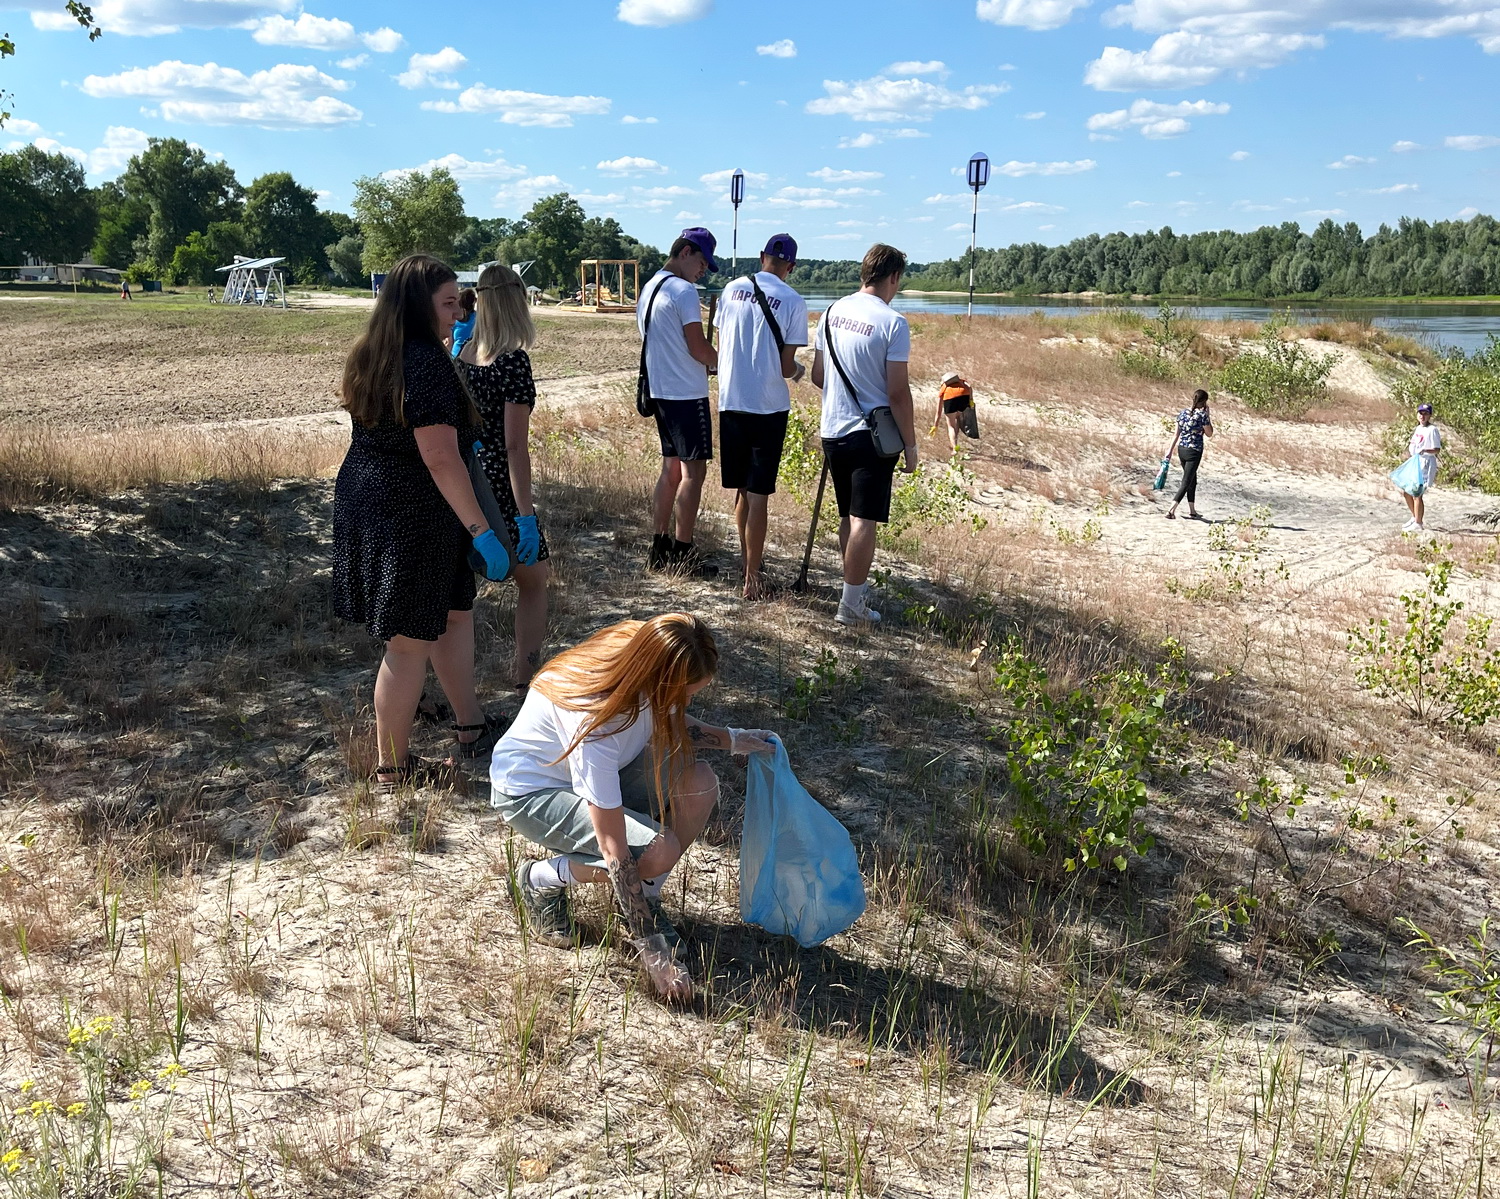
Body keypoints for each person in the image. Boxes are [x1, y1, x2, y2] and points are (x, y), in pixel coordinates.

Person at [490, 613, 775, 1001]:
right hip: (531, 793)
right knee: (658, 850)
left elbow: (671, 719)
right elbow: (614, 849)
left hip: (597, 772)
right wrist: (652, 949)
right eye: (685, 694)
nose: (687, 703)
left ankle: (648, 896)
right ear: (657, 681)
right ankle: (540, 878)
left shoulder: (644, 647)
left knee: (699, 783)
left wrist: (735, 739)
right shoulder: (596, 720)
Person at [332, 254, 513, 793]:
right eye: (449, 302)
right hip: (409, 510)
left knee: (454, 614)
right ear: (418, 306)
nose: (459, 313)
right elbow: (440, 455)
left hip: (380, 499)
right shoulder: (424, 362)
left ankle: (470, 725)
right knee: (408, 641)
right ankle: (392, 769)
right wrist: (482, 529)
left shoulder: (375, 353)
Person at [809, 243, 918, 627]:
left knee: (847, 515)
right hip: (871, 436)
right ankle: (850, 606)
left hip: (833, 429)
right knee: (864, 519)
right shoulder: (893, 323)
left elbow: (818, 376)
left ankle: (852, 589)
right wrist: (911, 445)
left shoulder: (832, 310)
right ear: (893, 277)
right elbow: (897, 393)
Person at [459, 263, 549, 689]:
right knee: (534, 581)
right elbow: (516, 447)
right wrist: (525, 516)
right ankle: (525, 676)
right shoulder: (513, 362)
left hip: (463, 477)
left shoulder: (461, 354)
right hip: (498, 481)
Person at [713, 233, 809, 599]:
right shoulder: (793, 301)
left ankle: (744, 559)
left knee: (741, 489)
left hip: (732, 399)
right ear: (792, 266)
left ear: (761, 257)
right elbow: (785, 367)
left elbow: (725, 344)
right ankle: (752, 577)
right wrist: (799, 370)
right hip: (768, 406)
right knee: (759, 495)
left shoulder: (731, 289)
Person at [638, 228, 720, 574]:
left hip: (659, 391)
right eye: (702, 262)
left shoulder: (649, 287)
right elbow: (697, 346)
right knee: (693, 473)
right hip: (686, 393)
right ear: (685, 252)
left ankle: (659, 546)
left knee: (670, 469)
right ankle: (684, 551)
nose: (703, 271)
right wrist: (720, 362)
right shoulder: (684, 291)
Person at [1164, 389, 1213, 520]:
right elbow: (1209, 433)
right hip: (1194, 451)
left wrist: (1169, 450)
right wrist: (1208, 416)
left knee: (1192, 479)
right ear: (1204, 402)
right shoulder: (1202, 416)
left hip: (1182, 449)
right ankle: (1171, 509)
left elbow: (1176, 434)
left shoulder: (1183, 413)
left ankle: (1192, 510)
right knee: (1186, 481)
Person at [1402, 402, 1442, 532]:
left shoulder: (1432, 430)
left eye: (1425, 414)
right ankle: (1415, 516)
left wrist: (1425, 450)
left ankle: (1418, 523)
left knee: (1417, 494)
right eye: (1420, 413)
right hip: (1415, 462)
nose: (1422, 416)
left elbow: (1436, 449)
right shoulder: (1418, 428)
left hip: (1425, 464)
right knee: (1406, 491)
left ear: (1429, 415)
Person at [931, 371, 973, 455]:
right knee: (957, 419)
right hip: (964, 397)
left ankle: (954, 448)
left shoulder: (944, 387)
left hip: (950, 400)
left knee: (951, 426)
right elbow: (970, 387)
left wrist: (935, 425)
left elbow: (938, 411)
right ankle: (954, 443)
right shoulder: (962, 382)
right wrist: (971, 400)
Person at [450, 287, 476, 358]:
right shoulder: (479, 318)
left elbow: (449, 343)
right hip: (473, 358)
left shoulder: (454, 319)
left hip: (455, 356)